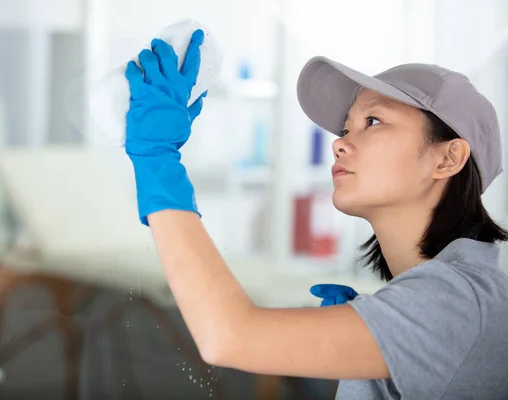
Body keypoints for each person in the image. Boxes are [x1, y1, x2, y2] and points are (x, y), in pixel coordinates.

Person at [122, 29, 508, 399]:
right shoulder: (457, 294)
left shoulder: (456, 302)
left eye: (373, 121)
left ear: (448, 157)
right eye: (346, 127)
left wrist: (158, 160)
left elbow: (228, 337)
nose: (339, 143)